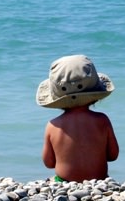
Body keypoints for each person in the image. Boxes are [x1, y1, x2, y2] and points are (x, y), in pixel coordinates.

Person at [36, 54, 119, 182]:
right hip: (99, 181)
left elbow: (49, 163)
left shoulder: (52, 126)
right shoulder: (102, 120)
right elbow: (113, 155)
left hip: (64, 183)